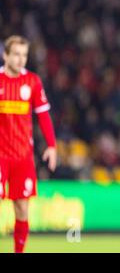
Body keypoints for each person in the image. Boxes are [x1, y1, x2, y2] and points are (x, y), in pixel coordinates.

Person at [0, 35, 57, 253]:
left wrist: (51, 146)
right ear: (5, 55)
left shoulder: (32, 82)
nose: (21, 59)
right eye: (16, 54)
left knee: (22, 208)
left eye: (24, 55)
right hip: (0, 155)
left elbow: (43, 116)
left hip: (23, 156)